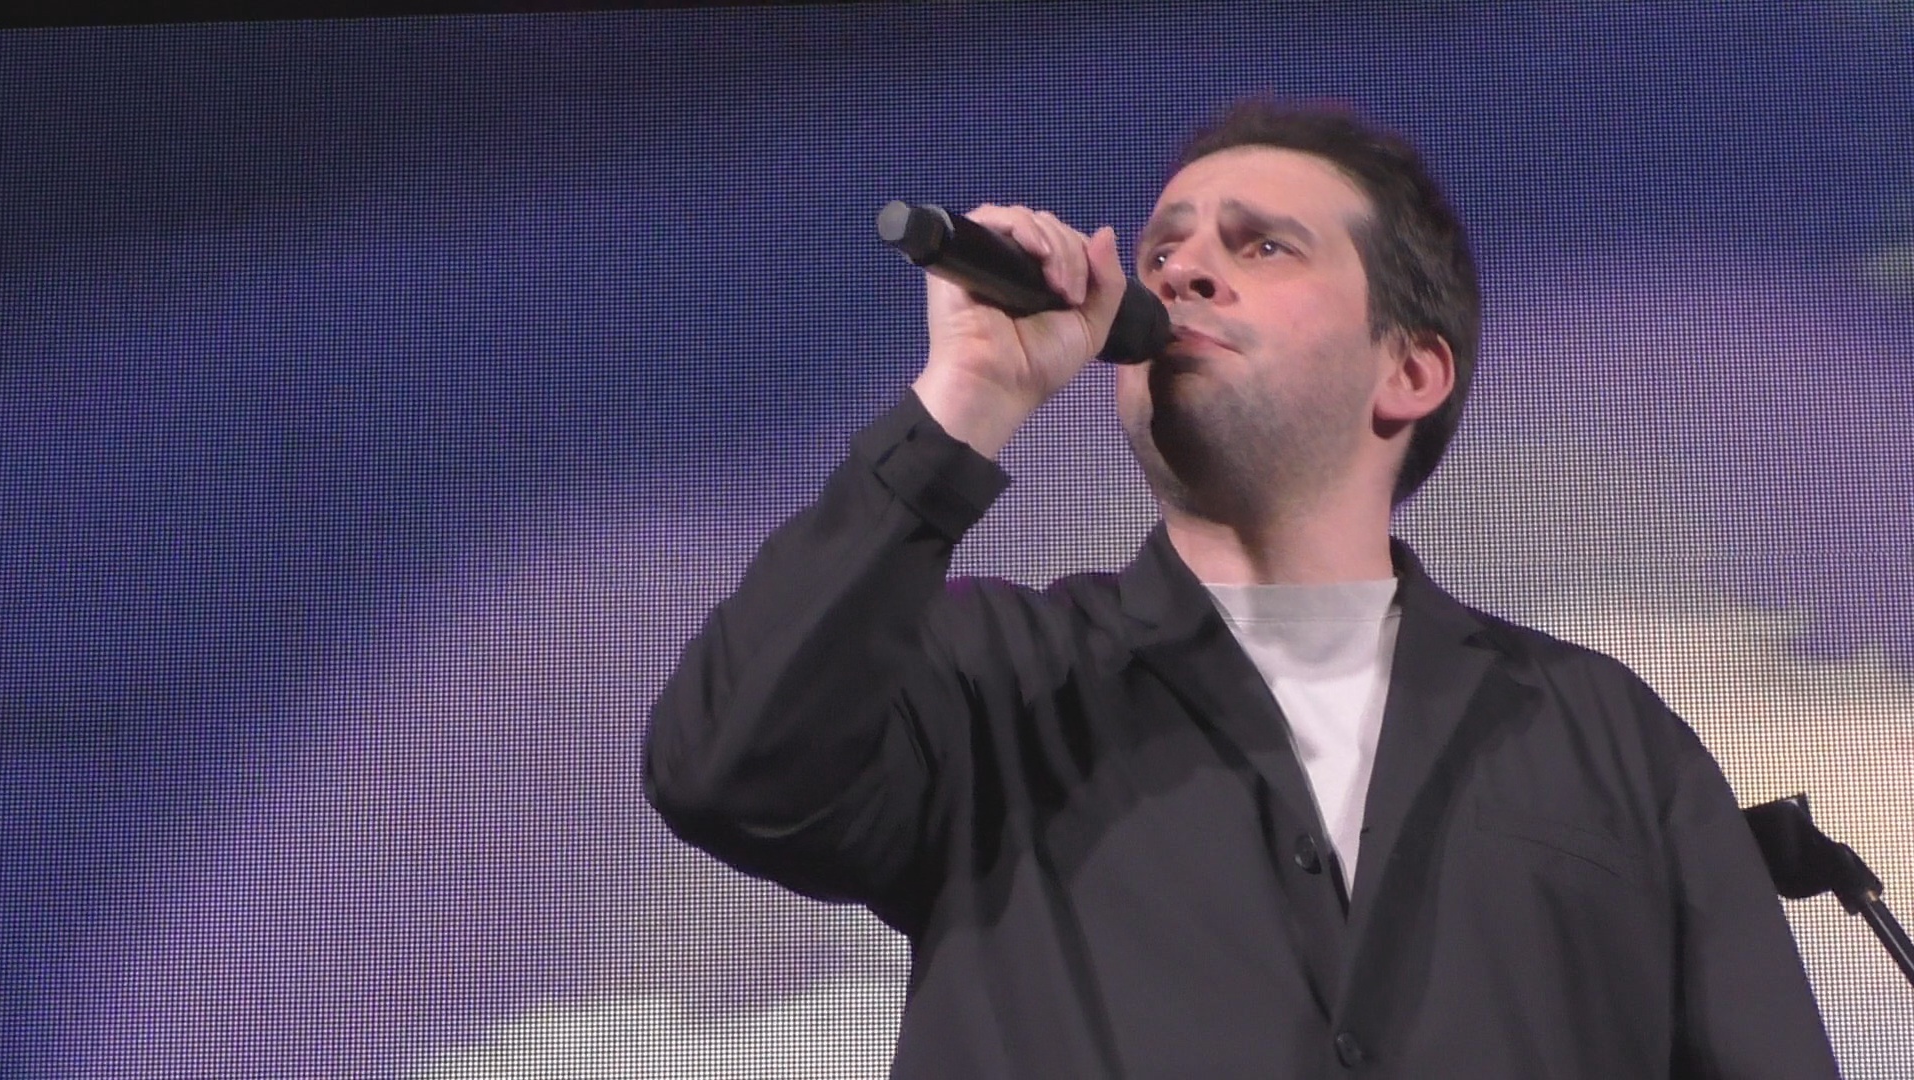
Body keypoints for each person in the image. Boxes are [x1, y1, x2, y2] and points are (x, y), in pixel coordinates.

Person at [644, 99, 1839, 1077]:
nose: (1184, 274)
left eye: (1261, 246)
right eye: (1163, 253)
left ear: (1410, 372)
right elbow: (730, 770)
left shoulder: (1604, 736)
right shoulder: (993, 676)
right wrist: (966, 399)